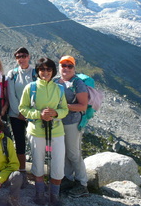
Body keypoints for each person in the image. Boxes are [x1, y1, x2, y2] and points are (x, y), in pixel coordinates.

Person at [19, 58, 69, 206]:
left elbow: (65, 109)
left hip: (56, 131)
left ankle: (53, 198)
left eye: (48, 69)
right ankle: (40, 196)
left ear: (53, 71)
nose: (45, 72)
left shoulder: (59, 88)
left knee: (58, 165)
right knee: (38, 164)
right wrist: (39, 115)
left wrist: (55, 113)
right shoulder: (31, 87)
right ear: (37, 71)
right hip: (36, 131)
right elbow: (23, 108)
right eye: (42, 69)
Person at [54, 56, 90, 198]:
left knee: (73, 153)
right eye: (64, 65)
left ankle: (83, 184)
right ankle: (67, 179)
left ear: (74, 68)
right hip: (58, 122)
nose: (66, 68)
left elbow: (83, 105)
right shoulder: (56, 81)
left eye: (70, 66)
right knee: (63, 152)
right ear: (59, 66)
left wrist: (63, 107)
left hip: (72, 122)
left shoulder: (77, 83)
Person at [6, 47, 36, 187]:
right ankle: (22, 172)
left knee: (35, 143)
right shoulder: (12, 74)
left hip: (33, 114)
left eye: (23, 56)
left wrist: (30, 113)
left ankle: (37, 172)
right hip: (16, 114)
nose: (21, 59)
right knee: (20, 143)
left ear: (29, 57)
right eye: (18, 56)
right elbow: (11, 94)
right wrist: (20, 112)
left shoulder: (36, 73)